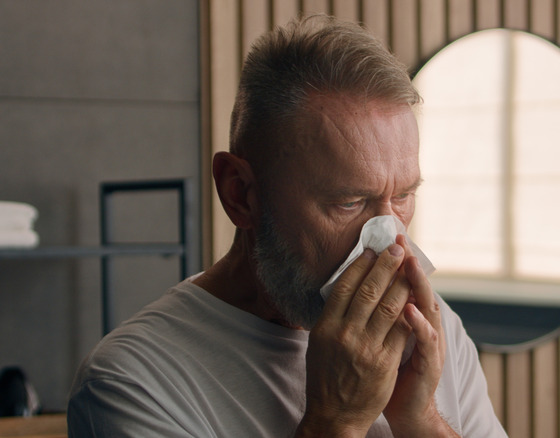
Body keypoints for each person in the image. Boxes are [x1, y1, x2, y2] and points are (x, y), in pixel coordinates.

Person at [67, 14, 507, 437]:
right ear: (240, 193)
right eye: (349, 202)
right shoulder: (132, 382)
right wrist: (336, 422)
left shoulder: (433, 329)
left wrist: (423, 420)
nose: (390, 241)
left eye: (403, 196)